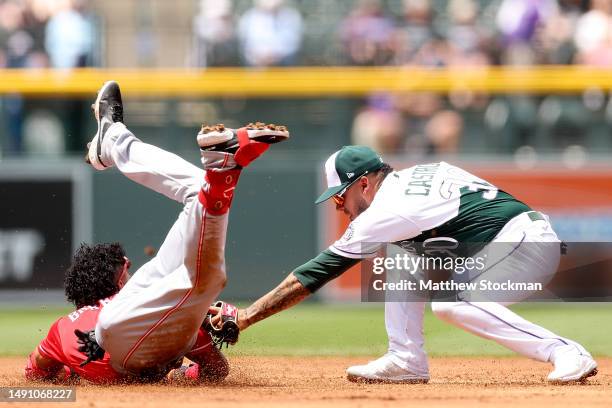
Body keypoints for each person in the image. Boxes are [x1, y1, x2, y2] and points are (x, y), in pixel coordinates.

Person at [221, 145, 597, 384]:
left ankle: (564, 351)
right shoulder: (417, 175)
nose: (340, 206)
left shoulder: (388, 209)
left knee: (453, 303)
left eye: (341, 196)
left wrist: (246, 317)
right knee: (403, 257)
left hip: (525, 246)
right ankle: (405, 359)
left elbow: (314, 274)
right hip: (507, 241)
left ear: (365, 184)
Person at [25, 81, 289, 384]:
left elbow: (35, 372)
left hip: (132, 327)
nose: (130, 271)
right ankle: (212, 167)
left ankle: (122, 141)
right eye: (126, 270)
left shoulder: (62, 329)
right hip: (120, 330)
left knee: (197, 197)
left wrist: (74, 372)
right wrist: (198, 328)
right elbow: (215, 369)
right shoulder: (126, 308)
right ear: (117, 280)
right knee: (203, 280)